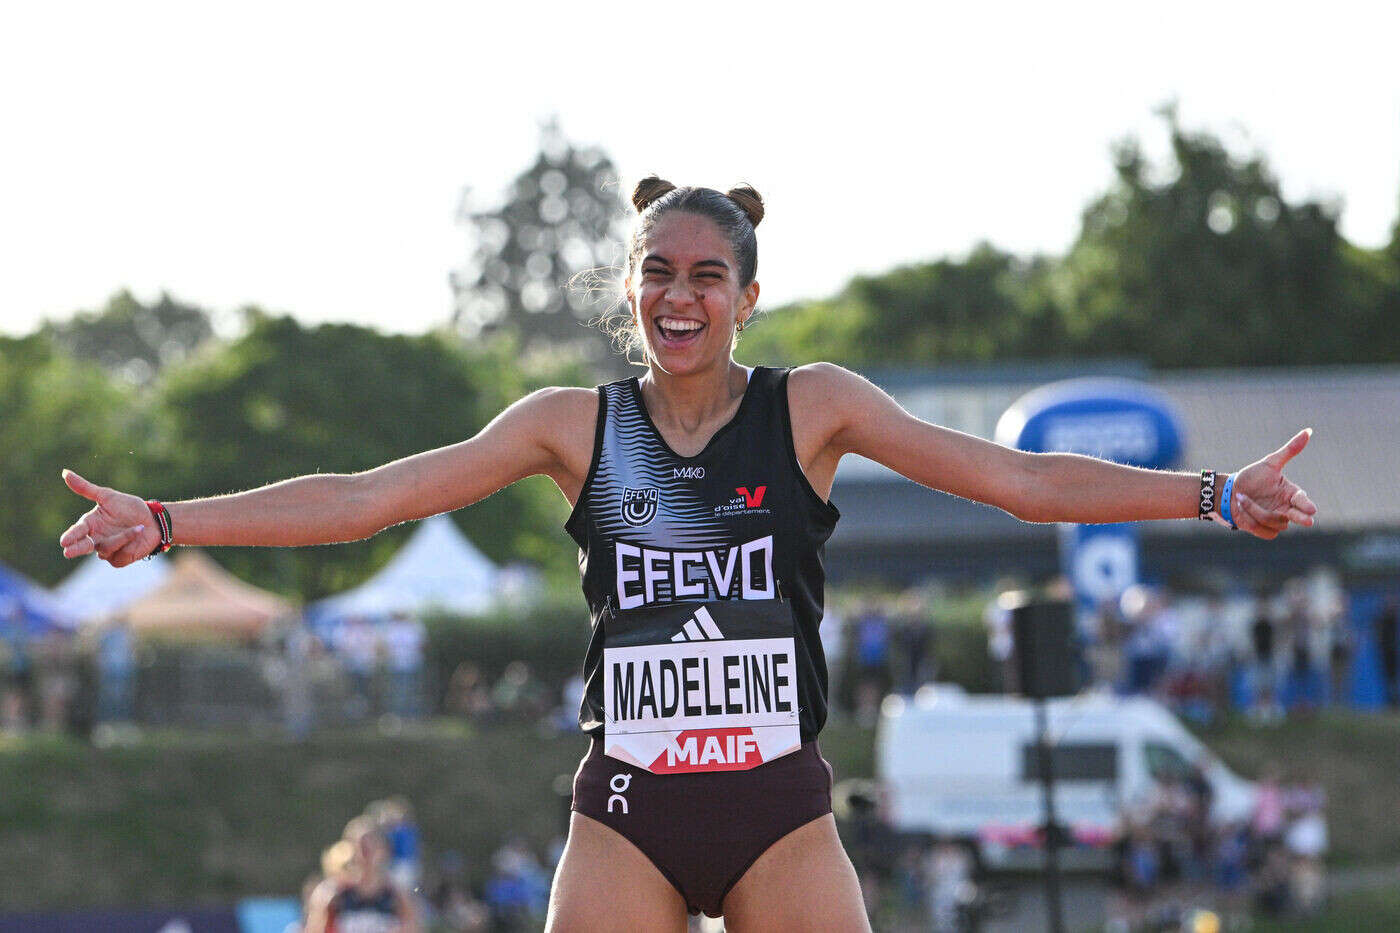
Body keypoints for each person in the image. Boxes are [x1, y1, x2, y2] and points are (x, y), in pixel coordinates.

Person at [58, 176, 1318, 930]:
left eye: (707, 275)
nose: (679, 295)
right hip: (629, 811)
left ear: (746, 297)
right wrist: (172, 521)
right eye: (656, 272)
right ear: (630, 286)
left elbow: (1021, 481)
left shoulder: (813, 405)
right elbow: (370, 500)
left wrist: (1210, 493)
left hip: (776, 806)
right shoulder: (570, 425)